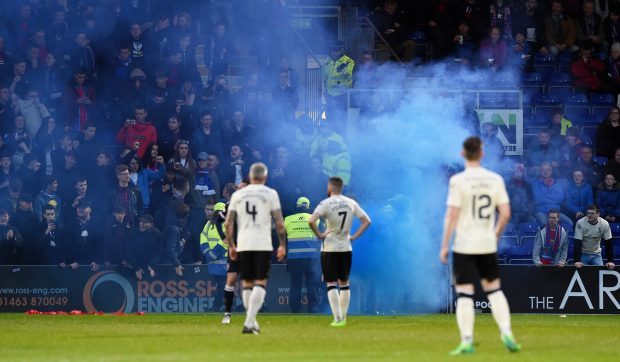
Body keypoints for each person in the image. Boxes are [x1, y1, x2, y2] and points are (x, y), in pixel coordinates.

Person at [439, 136, 520, 355]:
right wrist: (494, 235)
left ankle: (466, 340)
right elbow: (505, 214)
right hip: (486, 244)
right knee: (494, 290)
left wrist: (444, 245)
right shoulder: (495, 179)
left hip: (464, 245)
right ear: (482, 153)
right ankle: (507, 333)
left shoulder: (458, 180)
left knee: (465, 294)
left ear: (462, 154)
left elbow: (451, 215)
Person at [225, 162, 286, 334]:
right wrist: (282, 245)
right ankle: (250, 321)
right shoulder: (271, 193)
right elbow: (279, 223)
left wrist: (231, 245)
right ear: (265, 177)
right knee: (260, 282)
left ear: (250, 177)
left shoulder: (238, 195)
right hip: (262, 243)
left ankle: (250, 322)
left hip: (243, 243)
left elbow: (228, 223)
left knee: (246, 283)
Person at [308, 177, 371, 327]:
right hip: (345, 247)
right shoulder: (351, 203)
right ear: (341, 188)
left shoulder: (326, 203)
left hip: (329, 247)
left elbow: (311, 221)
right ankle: (343, 317)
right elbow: (367, 221)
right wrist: (354, 236)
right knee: (344, 283)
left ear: (330, 187)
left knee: (331, 283)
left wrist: (319, 235)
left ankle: (337, 318)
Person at [283, 197, 321, 313]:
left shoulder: (287, 220)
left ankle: (295, 309)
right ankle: (312, 309)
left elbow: (282, 238)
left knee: (295, 285)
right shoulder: (315, 219)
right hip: (311, 258)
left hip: (294, 258)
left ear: (297, 206)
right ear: (308, 207)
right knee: (312, 285)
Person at [200, 202, 228, 312]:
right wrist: (208, 253)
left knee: (222, 286)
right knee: (222, 286)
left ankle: (217, 307)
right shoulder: (208, 225)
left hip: (225, 261)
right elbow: (203, 239)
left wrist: (212, 254)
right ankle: (223, 307)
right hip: (214, 263)